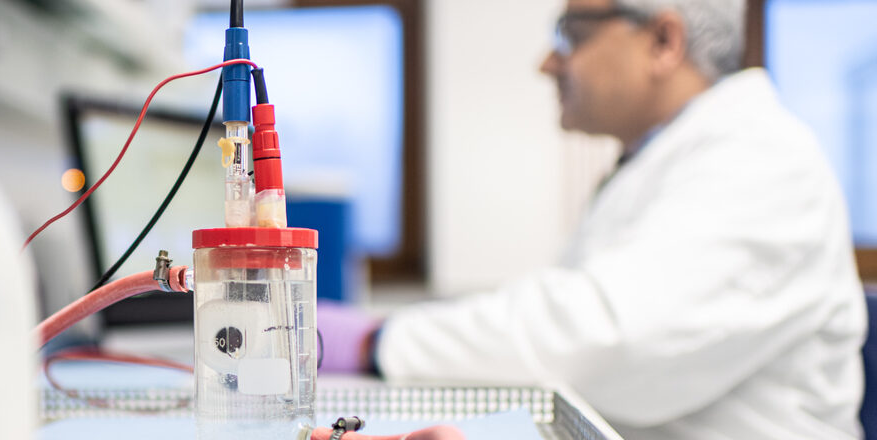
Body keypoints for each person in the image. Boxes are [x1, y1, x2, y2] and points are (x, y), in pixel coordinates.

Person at [317, 0, 868, 438]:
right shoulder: (662, 160)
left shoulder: (760, 159)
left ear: (663, 41)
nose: (546, 62)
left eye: (572, 34)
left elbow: (609, 338)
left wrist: (379, 339)